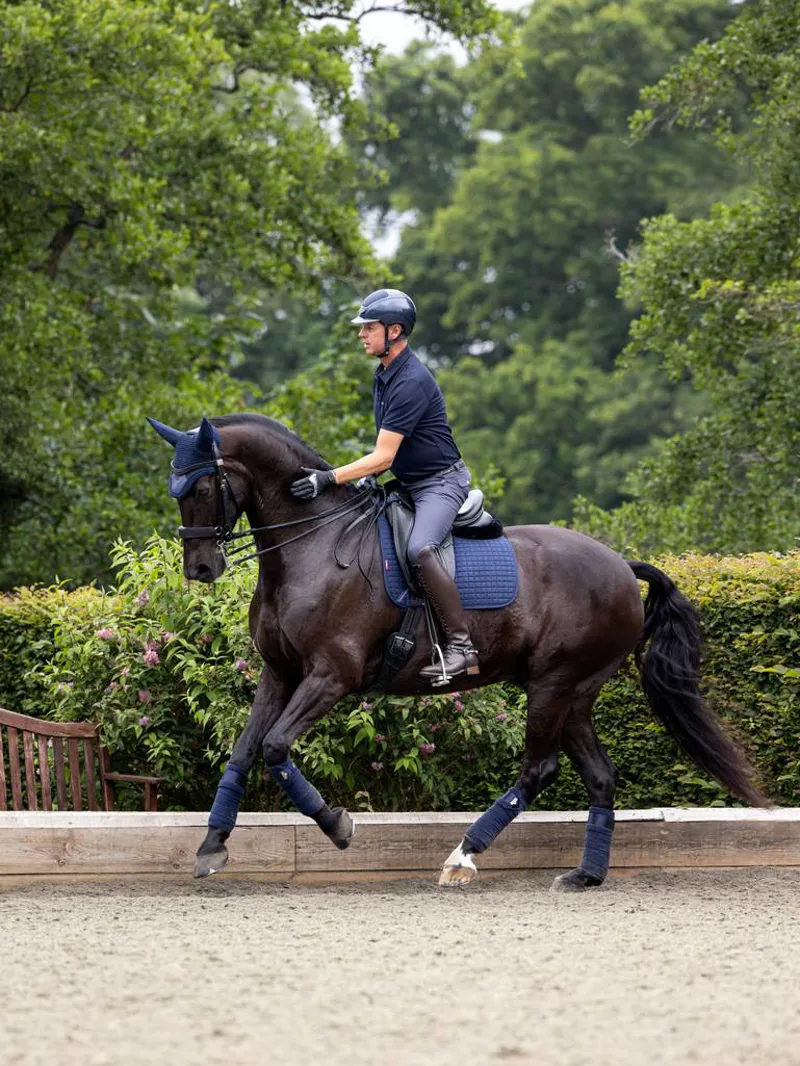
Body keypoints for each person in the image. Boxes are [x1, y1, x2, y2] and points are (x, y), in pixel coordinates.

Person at [290, 288, 479, 683]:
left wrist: (328, 478)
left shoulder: (410, 380)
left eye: (369, 327)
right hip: (409, 483)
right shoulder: (385, 374)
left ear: (394, 331)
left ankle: (463, 648)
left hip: (440, 484)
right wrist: (363, 479)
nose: (362, 334)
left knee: (421, 549)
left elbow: (384, 455)